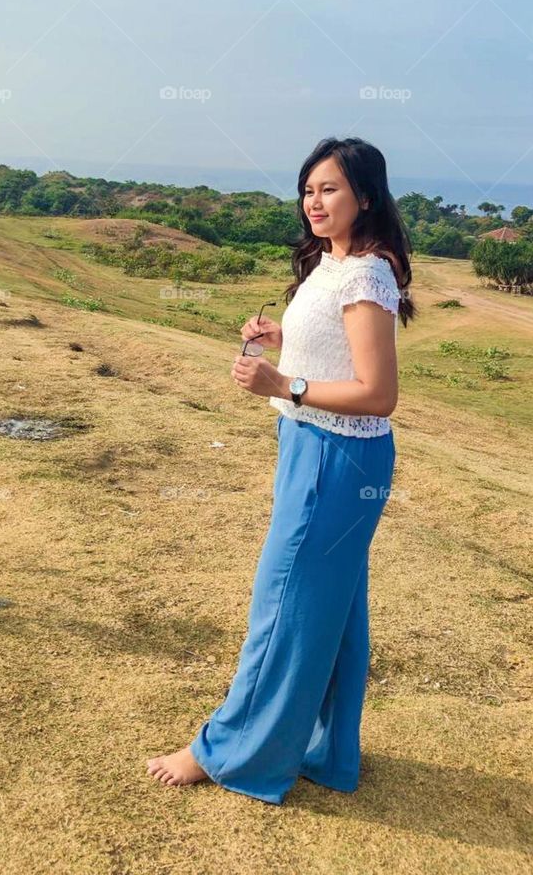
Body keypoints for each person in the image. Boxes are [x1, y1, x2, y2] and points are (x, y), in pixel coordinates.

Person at [147, 136, 415, 804]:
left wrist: (282, 382)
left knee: (285, 605)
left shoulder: (366, 275)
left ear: (366, 197)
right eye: (308, 189)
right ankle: (326, 753)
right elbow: (334, 353)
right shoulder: (333, 265)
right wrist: (283, 343)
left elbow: (377, 393)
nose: (314, 201)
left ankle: (231, 751)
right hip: (316, 448)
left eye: (329, 189)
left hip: (337, 456)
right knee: (335, 610)